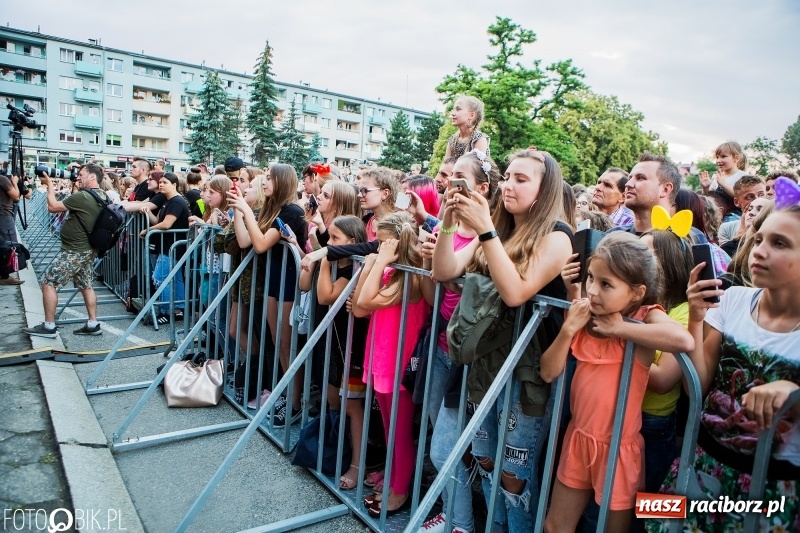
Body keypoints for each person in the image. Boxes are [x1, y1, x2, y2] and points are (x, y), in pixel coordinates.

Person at [432, 148, 573, 531]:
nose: (508, 185)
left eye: (521, 179)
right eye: (508, 176)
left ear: (545, 191)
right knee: (486, 458)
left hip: (526, 377)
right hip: (485, 367)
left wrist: (485, 230)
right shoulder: (498, 229)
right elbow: (444, 270)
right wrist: (448, 220)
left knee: (515, 474)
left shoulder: (558, 236)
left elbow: (516, 293)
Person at [647, 206, 800, 532]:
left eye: (780, 243)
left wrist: (794, 392)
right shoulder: (733, 300)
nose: (759, 250)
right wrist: (697, 319)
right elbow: (696, 389)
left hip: (774, 489)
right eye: (758, 239)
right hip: (702, 464)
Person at [542, 232, 693, 533]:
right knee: (555, 526)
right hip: (579, 438)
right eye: (591, 279)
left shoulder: (645, 317)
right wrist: (568, 328)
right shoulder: (587, 316)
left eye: (606, 284)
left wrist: (623, 328)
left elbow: (683, 339)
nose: (593, 291)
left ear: (637, 292)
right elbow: (548, 371)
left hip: (618, 449)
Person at [421, 150, 502, 533]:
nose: (449, 184)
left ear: (482, 188)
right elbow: (440, 273)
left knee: (446, 449)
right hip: (442, 344)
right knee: (445, 442)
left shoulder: (492, 231)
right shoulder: (454, 226)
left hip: (472, 356)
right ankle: (457, 514)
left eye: (458, 177)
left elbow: (454, 272)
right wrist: (448, 224)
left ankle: (463, 523)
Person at [354, 211, 429, 518]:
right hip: (382, 354)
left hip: (400, 360)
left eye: (381, 243)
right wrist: (376, 264)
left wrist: (378, 262)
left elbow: (365, 303)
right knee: (387, 423)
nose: (375, 247)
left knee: (398, 428)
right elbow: (360, 307)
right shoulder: (389, 271)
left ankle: (400, 490)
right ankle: (392, 474)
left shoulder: (410, 277)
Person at [227, 163, 308, 427]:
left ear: (283, 182)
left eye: (270, 179)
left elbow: (260, 245)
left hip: (288, 281)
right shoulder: (276, 209)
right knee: (277, 340)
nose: (264, 182)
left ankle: (295, 402)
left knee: (286, 343)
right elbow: (245, 241)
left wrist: (245, 209)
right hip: (274, 277)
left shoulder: (293, 211)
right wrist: (241, 211)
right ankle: (287, 393)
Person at [299, 215, 369, 491]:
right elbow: (306, 286)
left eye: (336, 239)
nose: (330, 243)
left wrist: (324, 258)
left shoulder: (351, 266)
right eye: (329, 237)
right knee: (333, 401)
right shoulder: (336, 260)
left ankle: (356, 464)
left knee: (352, 406)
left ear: (352, 242)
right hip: (331, 343)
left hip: (350, 346)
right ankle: (335, 452)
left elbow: (326, 296)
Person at [24, 164, 110, 337]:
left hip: (75, 251)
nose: (78, 177)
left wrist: (49, 183)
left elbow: (53, 207)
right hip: (87, 250)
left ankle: (49, 327)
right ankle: (93, 324)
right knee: (86, 285)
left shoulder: (84, 197)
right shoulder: (101, 195)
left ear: (92, 177)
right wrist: (75, 186)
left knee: (49, 282)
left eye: (82, 174)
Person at [139, 172, 190, 322]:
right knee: (176, 279)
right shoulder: (168, 201)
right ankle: (179, 310)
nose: (161, 184)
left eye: (165, 182)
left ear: (174, 185)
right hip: (170, 246)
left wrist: (146, 231)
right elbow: (159, 222)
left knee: (160, 278)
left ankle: (167, 311)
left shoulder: (175, 201)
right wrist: (148, 212)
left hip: (172, 247)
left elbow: (167, 225)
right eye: (160, 182)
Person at [717, 175, 766, 246]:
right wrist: (742, 231)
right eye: (749, 197)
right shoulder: (727, 228)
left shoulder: (776, 224)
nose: (757, 199)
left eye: (761, 195)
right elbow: (727, 256)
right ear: (737, 202)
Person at [444, 95, 489, 160]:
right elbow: (446, 166)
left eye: (458, 109)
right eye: (453, 109)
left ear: (471, 115)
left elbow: (475, 168)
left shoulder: (479, 139)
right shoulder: (452, 140)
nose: (453, 113)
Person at [0, 168, 23, 285]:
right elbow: (16, 197)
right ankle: (4, 276)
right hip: (4, 216)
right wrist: (14, 182)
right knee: (9, 245)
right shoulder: (2, 179)